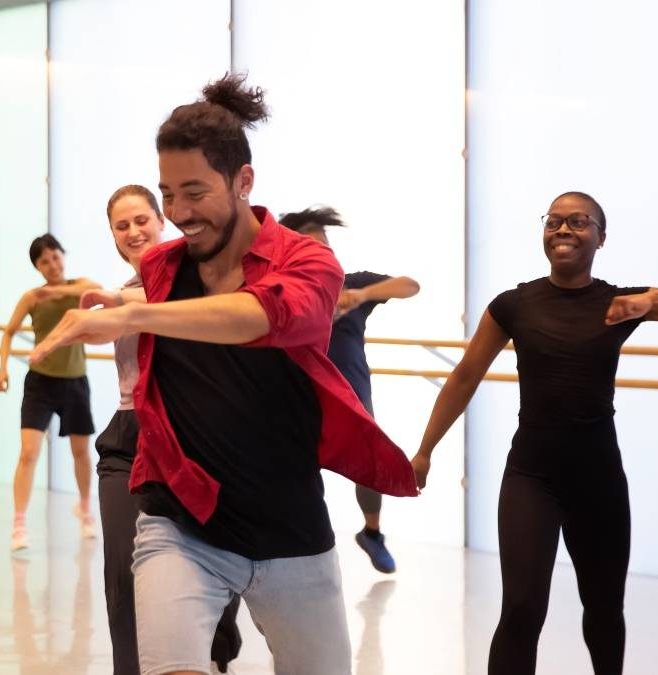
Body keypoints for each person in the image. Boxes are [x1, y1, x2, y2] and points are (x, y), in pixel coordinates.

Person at [31, 74, 417, 675]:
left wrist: (137, 312)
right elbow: (137, 316)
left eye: (195, 192)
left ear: (243, 181)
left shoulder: (308, 260)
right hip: (182, 523)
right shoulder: (161, 266)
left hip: (290, 528)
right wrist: (114, 310)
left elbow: (265, 314)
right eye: (168, 195)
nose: (179, 214)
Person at [412, 191, 658, 675]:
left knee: (605, 609)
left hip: (599, 480)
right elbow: (464, 376)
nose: (563, 230)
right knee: (521, 610)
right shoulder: (513, 305)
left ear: (601, 238)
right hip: (531, 477)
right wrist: (425, 451)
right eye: (554, 221)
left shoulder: (619, 303)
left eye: (579, 222)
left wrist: (652, 300)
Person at [85, 184, 242, 674]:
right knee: (123, 572)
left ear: (162, 220)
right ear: (113, 236)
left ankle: (216, 639)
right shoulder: (119, 294)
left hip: (199, 436)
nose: (133, 232)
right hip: (130, 435)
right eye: (121, 225)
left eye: (141, 220)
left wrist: (118, 302)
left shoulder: (199, 280)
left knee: (218, 559)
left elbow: (160, 299)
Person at [280, 207, 420, 574]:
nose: (322, 254)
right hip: (300, 400)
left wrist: (362, 295)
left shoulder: (352, 285)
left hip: (352, 395)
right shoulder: (280, 293)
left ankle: (371, 533)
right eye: (311, 247)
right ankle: (301, 548)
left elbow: (409, 285)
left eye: (325, 246)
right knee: (299, 472)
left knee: (368, 468)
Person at [0, 234, 100, 551]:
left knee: (81, 452)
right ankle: (18, 524)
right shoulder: (32, 297)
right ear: (37, 267)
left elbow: (94, 289)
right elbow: (8, 332)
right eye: (44, 262)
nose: (52, 265)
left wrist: (57, 290)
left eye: (55, 257)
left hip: (75, 382)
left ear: (62, 256)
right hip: (40, 383)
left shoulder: (78, 285)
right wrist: (2, 369)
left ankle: (84, 510)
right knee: (28, 453)